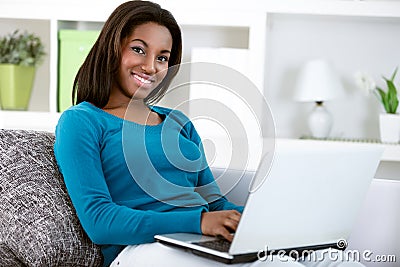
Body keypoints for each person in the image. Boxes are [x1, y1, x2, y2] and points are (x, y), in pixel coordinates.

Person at [54, 1, 365, 267]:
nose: (150, 66)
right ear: (112, 49)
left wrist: (274, 221)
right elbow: (99, 221)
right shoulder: (82, 121)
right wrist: (198, 222)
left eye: (162, 57)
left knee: (317, 258)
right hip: (142, 250)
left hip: (201, 239)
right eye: (139, 49)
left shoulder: (178, 122)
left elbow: (216, 205)